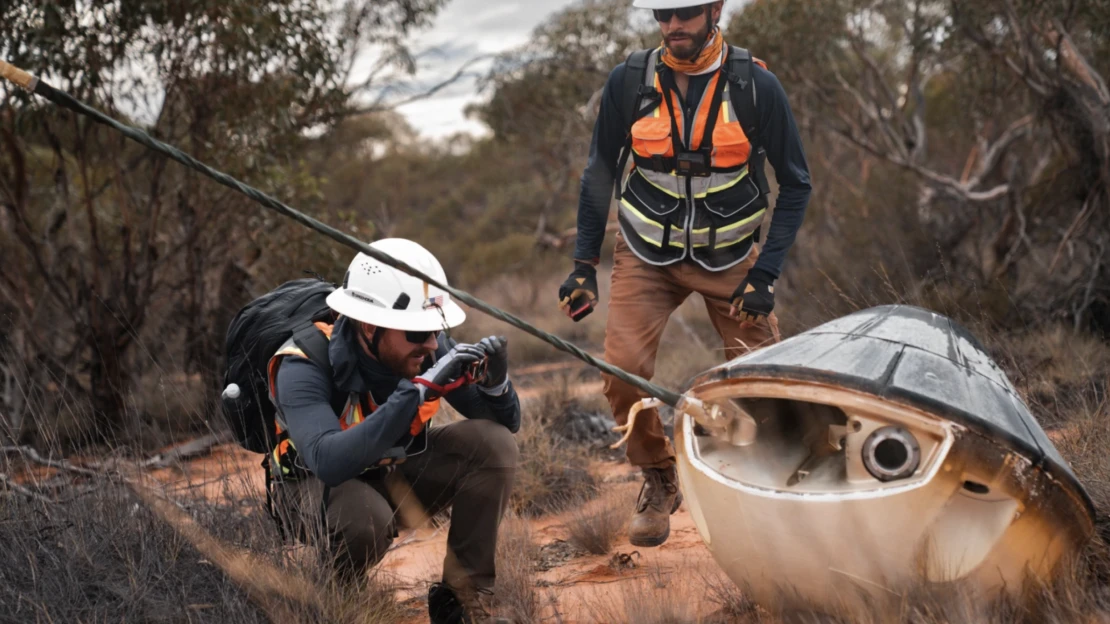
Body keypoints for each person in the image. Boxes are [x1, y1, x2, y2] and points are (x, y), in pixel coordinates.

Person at [558, 0, 811, 547]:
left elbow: (796, 184)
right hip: (647, 256)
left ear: (716, 9)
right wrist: (583, 266)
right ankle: (657, 475)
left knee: (761, 381)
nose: (674, 26)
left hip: (731, 262)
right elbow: (599, 172)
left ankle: (764, 488)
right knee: (622, 369)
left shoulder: (755, 87)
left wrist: (764, 274)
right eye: (663, 14)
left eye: (687, 13)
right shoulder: (629, 81)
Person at [267, 238, 519, 624]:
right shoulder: (302, 363)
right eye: (417, 334)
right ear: (369, 325)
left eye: (435, 330)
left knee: (492, 445)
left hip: (388, 472)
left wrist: (497, 387)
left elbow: (503, 427)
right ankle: (338, 600)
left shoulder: (428, 348)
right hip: (313, 485)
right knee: (365, 519)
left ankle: (465, 602)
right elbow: (329, 462)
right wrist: (417, 391)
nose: (432, 344)